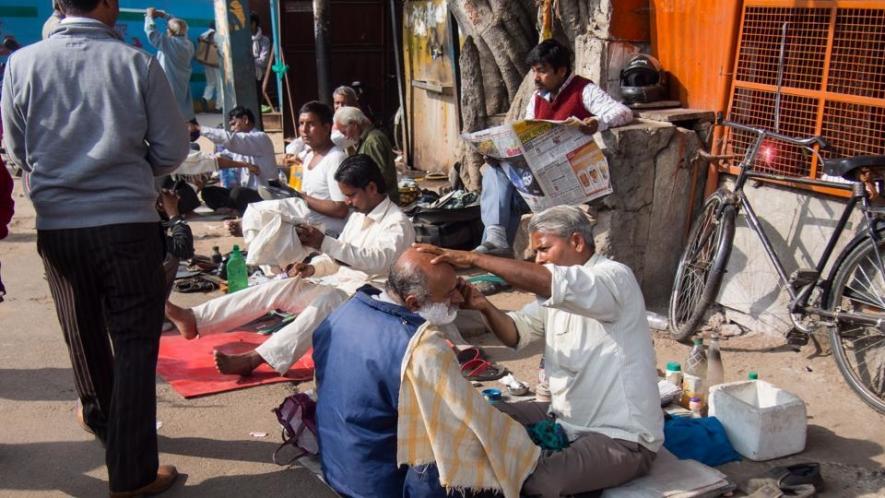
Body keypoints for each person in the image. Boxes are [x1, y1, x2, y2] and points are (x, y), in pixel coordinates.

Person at [1, 0, 190, 494]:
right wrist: (129, 168)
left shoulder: (22, 63)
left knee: (83, 334)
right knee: (133, 344)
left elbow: (18, 151)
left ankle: (106, 427)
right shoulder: (136, 63)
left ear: (59, 6)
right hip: (126, 224)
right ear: (107, 4)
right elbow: (171, 149)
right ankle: (130, 473)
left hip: (58, 226)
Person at [416, 205, 663, 497]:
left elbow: (549, 281)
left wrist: (474, 258)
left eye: (544, 249)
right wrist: (483, 305)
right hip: (561, 418)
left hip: (620, 437)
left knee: (538, 483)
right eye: (535, 253)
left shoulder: (613, 277)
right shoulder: (554, 296)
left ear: (577, 242)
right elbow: (515, 334)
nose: (538, 259)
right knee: (482, 417)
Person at [313, 248, 538, 498]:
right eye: (449, 293)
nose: (459, 299)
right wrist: (523, 447)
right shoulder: (423, 349)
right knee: (482, 449)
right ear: (413, 302)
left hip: (339, 468)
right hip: (381, 484)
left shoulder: (345, 313)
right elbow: (467, 425)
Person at [165, 154, 415, 376]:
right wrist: (312, 268)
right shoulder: (358, 217)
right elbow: (339, 260)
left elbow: (376, 262)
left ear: (371, 188)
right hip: (343, 287)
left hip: (375, 299)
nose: (347, 202)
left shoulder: (397, 223)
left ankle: (256, 359)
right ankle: (195, 319)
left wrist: (325, 243)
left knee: (328, 298)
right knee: (283, 286)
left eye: (351, 195)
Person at [477, 39, 633, 256]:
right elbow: (525, 134)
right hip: (539, 180)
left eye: (541, 71)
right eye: (534, 71)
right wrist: (501, 155)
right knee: (496, 172)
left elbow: (623, 112)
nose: (536, 78)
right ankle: (496, 239)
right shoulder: (537, 98)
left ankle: (498, 251)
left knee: (506, 199)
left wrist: (598, 122)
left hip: (571, 180)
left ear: (561, 71)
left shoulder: (583, 90)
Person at [198, 106, 277, 214]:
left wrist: (200, 129)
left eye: (234, 124)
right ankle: (233, 208)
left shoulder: (260, 138)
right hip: (244, 193)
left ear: (245, 120)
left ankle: (233, 208)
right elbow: (220, 157)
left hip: (263, 194)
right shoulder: (237, 146)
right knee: (208, 192)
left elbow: (231, 140)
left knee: (237, 193)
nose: (232, 129)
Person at [292, 101, 350, 236]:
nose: (304, 130)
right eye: (301, 123)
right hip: (309, 231)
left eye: (311, 124)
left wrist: (300, 197)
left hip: (330, 236)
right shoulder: (308, 156)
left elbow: (340, 209)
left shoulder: (336, 158)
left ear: (326, 128)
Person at [334, 106, 399, 204]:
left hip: (381, 204)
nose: (346, 137)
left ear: (354, 124)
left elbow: (379, 178)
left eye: (345, 132)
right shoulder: (368, 140)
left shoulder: (372, 141)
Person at [145, 7, 195, 121]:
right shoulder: (188, 44)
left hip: (169, 83)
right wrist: (164, 15)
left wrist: (149, 17)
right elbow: (179, 25)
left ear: (170, 32)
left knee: (168, 113)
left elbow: (151, 33)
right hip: (182, 83)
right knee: (181, 110)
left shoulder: (169, 43)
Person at [198, 21, 221, 111]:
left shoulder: (204, 34)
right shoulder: (217, 35)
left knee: (210, 82)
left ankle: (205, 98)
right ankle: (219, 107)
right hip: (216, 63)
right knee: (220, 86)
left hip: (206, 63)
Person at [251, 13, 271, 93]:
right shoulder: (245, 39)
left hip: (258, 76)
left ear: (254, 24)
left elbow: (264, 61)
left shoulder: (264, 40)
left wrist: (250, 60)